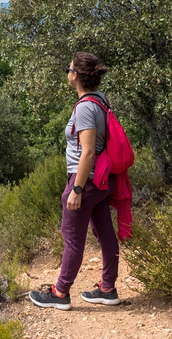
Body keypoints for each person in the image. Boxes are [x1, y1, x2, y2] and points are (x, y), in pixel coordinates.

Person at [29, 51, 121, 310]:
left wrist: (77, 189)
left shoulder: (84, 108)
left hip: (87, 181)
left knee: (72, 237)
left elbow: (88, 151)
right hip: (103, 180)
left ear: (76, 76)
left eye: (68, 68)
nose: (66, 72)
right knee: (105, 234)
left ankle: (60, 293)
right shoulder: (101, 100)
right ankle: (107, 288)